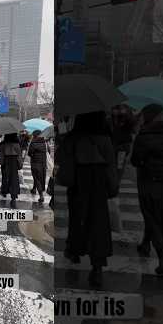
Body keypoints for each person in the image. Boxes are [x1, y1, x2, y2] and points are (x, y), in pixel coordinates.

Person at [57, 111, 118, 287]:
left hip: (78, 184)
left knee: (77, 219)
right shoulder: (105, 139)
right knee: (99, 223)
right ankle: (97, 268)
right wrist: (113, 188)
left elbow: (62, 160)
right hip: (99, 184)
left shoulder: (72, 138)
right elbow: (111, 167)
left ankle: (74, 250)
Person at [131, 104, 163, 275]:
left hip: (148, 183)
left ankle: (162, 259)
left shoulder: (144, 136)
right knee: (161, 216)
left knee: (152, 217)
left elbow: (135, 161)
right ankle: (145, 243)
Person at [0, 133, 22, 208]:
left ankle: (4, 191)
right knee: (14, 179)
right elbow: (19, 155)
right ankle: (13, 198)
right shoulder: (17, 144)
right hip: (14, 163)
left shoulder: (3, 144)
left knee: (5, 178)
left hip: (5, 163)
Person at [28, 130, 49, 203]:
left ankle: (41, 195)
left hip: (35, 163)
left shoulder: (33, 143)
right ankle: (34, 189)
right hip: (43, 164)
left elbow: (29, 153)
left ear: (34, 135)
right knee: (40, 178)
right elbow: (48, 152)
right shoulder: (45, 143)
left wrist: (33, 154)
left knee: (36, 178)